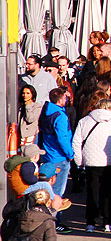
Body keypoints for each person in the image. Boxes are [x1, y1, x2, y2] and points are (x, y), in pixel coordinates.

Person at [72, 98, 111, 233]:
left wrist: (80, 161)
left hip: (90, 162)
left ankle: (90, 222)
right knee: (107, 193)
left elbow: (76, 142)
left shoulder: (84, 121)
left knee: (92, 192)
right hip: (109, 161)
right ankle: (108, 222)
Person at [36, 89, 73, 229]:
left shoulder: (46, 112)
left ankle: (46, 219)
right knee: (57, 192)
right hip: (59, 157)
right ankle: (54, 221)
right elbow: (63, 138)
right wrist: (70, 154)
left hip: (47, 155)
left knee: (46, 190)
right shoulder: (60, 116)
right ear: (60, 99)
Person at [18, 85, 42, 150]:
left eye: (28, 93)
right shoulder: (21, 106)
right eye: (23, 93)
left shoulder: (37, 107)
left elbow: (30, 119)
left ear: (32, 94)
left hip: (31, 136)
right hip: (21, 136)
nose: (25, 95)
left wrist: (28, 106)